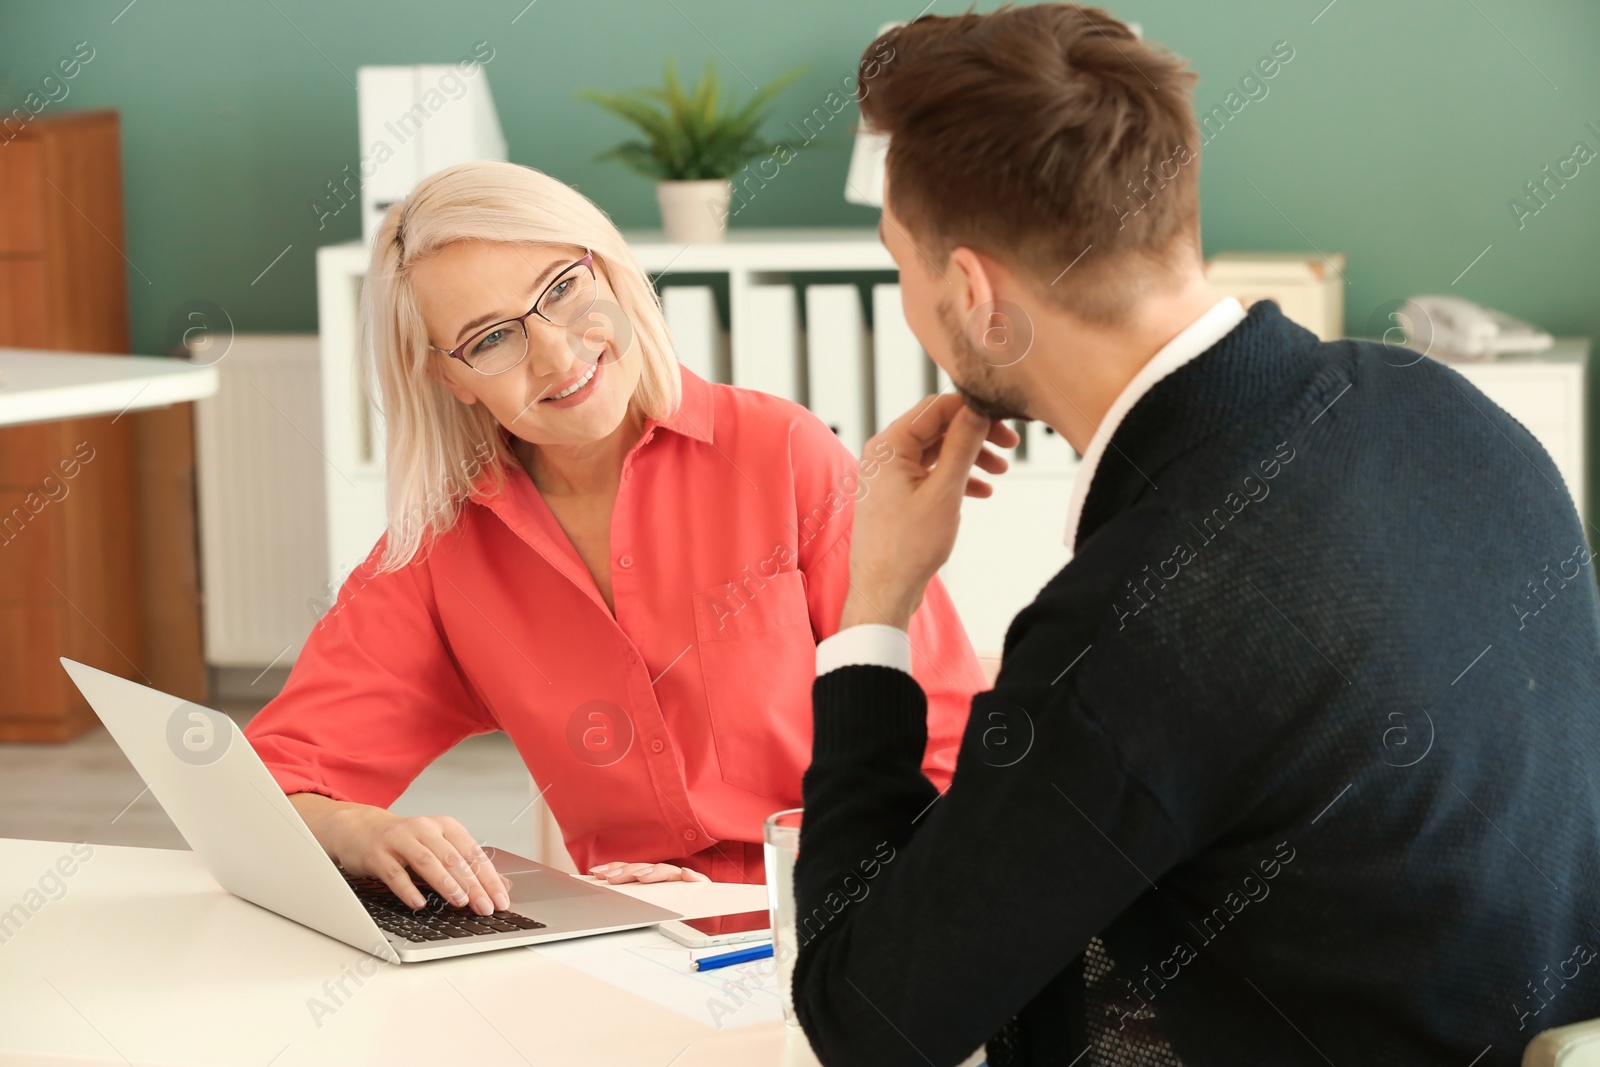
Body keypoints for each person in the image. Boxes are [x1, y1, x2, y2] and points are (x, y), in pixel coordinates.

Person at [792, 6, 1600, 1066]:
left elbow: (867, 1020)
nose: (907, 296)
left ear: (978, 293)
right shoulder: (1441, 406)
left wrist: (874, 611)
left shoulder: (1131, 631)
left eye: (904, 263)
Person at [243, 160, 984, 918]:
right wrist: (350, 825)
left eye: (562, 288)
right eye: (491, 338)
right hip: (633, 950)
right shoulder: (443, 547)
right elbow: (262, 781)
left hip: (851, 927)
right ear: (450, 378)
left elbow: (953, 755)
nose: (559, 356)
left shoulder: (781, 454)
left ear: (608, 269)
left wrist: (779, 898)